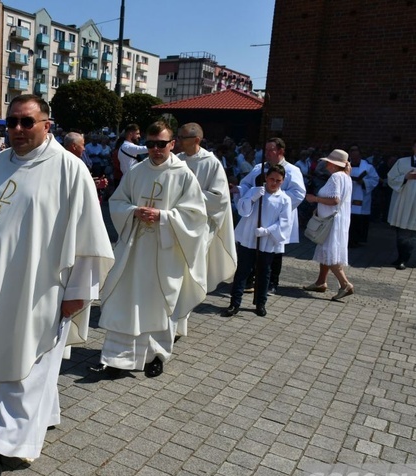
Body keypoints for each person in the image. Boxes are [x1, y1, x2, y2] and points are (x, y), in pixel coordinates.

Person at [0, 95, 113, 476]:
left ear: (47, 124)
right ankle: (21, 419)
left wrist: (78, 292)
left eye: (27, 122)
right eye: (12, 122)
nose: (18, 130)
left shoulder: (69, 170)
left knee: (26, 367)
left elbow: (88, 239)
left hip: (39, 290)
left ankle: (1, 448)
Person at [90, 121, 208, 378]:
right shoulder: (137, 171)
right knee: (126, 299)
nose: (155, 149)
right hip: (135, 248)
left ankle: (156, 356)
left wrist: (164, 217)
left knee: (159, 302)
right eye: (151, 144)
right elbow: (118, 201)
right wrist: (133, 212)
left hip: (165, 251)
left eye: (161, 144)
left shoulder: (184, 174)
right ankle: (117, 358)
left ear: (172, 144)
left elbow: (196, 216)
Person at [176, 122, 237, 336]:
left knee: (190, 273)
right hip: (176, 224)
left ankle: (181, 316)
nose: (178, 140)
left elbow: (220, 199)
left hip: (200, 228)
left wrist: (190, 196)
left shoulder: (212, 164)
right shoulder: (177, 160)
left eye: (182, 137)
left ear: (196, 140)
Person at [236, 137, 306, 294]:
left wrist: (274, 200)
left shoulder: (292, 171)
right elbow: (246, 184)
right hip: (257, 214)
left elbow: (298, 194)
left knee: (275, 249)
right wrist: (242, 192)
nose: (266, 153)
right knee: (253, 245)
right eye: (265, 150)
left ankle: (272, 282)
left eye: (270, 150)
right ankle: (251, 279)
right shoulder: (259, 168)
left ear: (280, 151)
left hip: (276, 217)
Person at [222, 164, 293, 317]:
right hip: (249, 237)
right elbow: (243, 210)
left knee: (264, 272)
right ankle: (235, 302)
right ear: (266, 178)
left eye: (278, 181)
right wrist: (252, 199)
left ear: (282, 181)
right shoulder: (255, 191)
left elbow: (285, 222)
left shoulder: (284, 199)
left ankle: (260, 302)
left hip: (266, 240)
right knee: (242, 271)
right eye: (271, 179)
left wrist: (267, 231)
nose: (274, 183)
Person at [303, 150, 354, 300]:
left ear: (333, 163)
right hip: (337, 219)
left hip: (332, 221)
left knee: (330, 253)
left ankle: (345, 284)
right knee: (327, 250)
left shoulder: (336, 177)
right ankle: (321, 282)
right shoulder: (346, 177)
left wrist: (315, 199)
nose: (325, 164)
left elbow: (335, 200)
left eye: (328, 161)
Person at [387, 139, 416, 270]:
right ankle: (401, 258)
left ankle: (406, 258)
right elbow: (391, 178)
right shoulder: (402, 162)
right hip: (404, 202)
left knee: (411, 232)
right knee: (402, 231)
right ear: (413, 147)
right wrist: (405, 178)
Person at [347, 145, 379, 247]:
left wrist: (363, 182)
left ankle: (357, 240)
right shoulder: (346, 166)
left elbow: (375, 179)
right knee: (349, 219)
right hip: (348, 195)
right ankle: (348, 239)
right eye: (352, 153)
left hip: (361, 195)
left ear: (360, 155)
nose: (354, 158)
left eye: (356, 156)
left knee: (358, 219)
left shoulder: (368, 168)